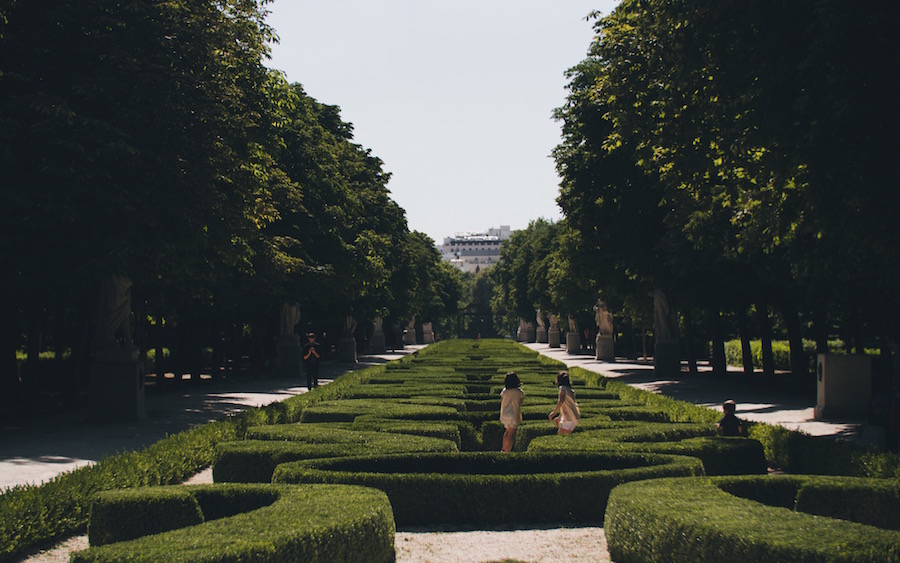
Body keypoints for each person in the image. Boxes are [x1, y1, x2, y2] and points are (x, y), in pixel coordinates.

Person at [499, 371, 525, 452]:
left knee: (507, 432)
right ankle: (507, 451)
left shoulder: (504, 391)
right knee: (511, 434)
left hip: (505, 414)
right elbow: (521, 403)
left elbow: (502, 400)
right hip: (513, 414)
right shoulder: (519, 392)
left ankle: (503, 449)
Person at [549, 371, 580, 435]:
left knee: (562, 435)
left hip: (569, 416)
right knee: (561, 434)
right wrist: (559, 417)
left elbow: (561, 401)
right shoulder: (570, 390)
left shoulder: (562, 388)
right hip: (573, 416)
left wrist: (554, 413)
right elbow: (566, 406)